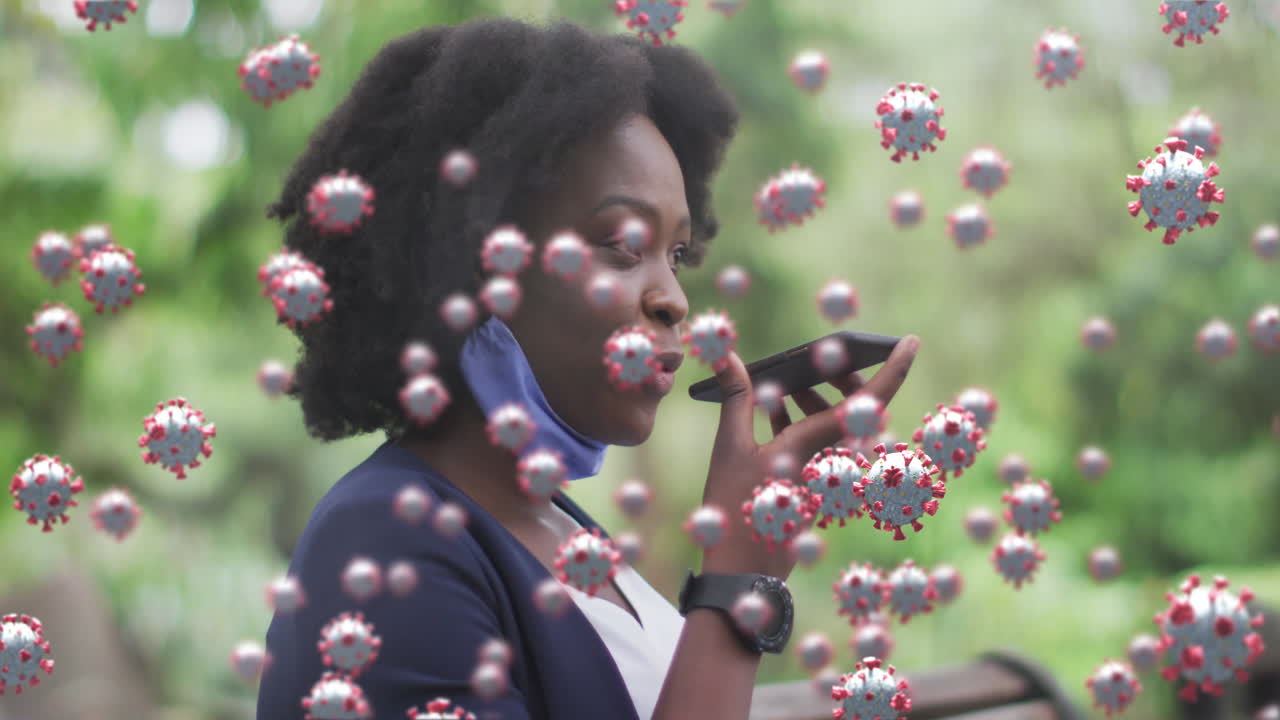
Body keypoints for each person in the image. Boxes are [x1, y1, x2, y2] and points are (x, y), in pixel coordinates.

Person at [255, 17, 921, 720]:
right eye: (622, 247)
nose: (672, 298)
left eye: (678, 255)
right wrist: (737, 585)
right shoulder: (381, 545)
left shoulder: (559, 526)